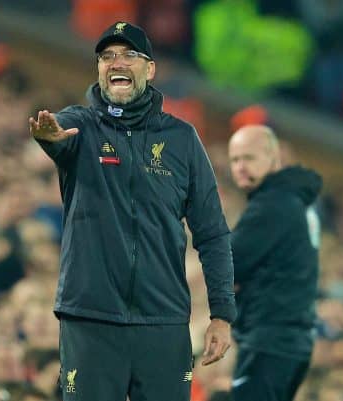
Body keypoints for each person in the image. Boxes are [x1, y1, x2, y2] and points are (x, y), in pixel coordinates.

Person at [29, 21, 236, 400]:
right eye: (107, 56)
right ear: (99, 69)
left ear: (150, 69)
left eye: (128, 55)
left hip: (163, 322)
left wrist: (222, 314)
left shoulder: (182, 139)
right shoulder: (81, 125)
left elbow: (213, 233)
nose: (115, 62)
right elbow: (60, 137)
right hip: (90, 319)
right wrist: (51, 139)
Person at [227, 125, 322, 400]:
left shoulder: (273, 204)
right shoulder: (298, 202)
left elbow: (226, 264)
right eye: (235, 160)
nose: (241, 167)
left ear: (274, 157)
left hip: (269, 341)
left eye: (250, 158)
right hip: (292, 343)